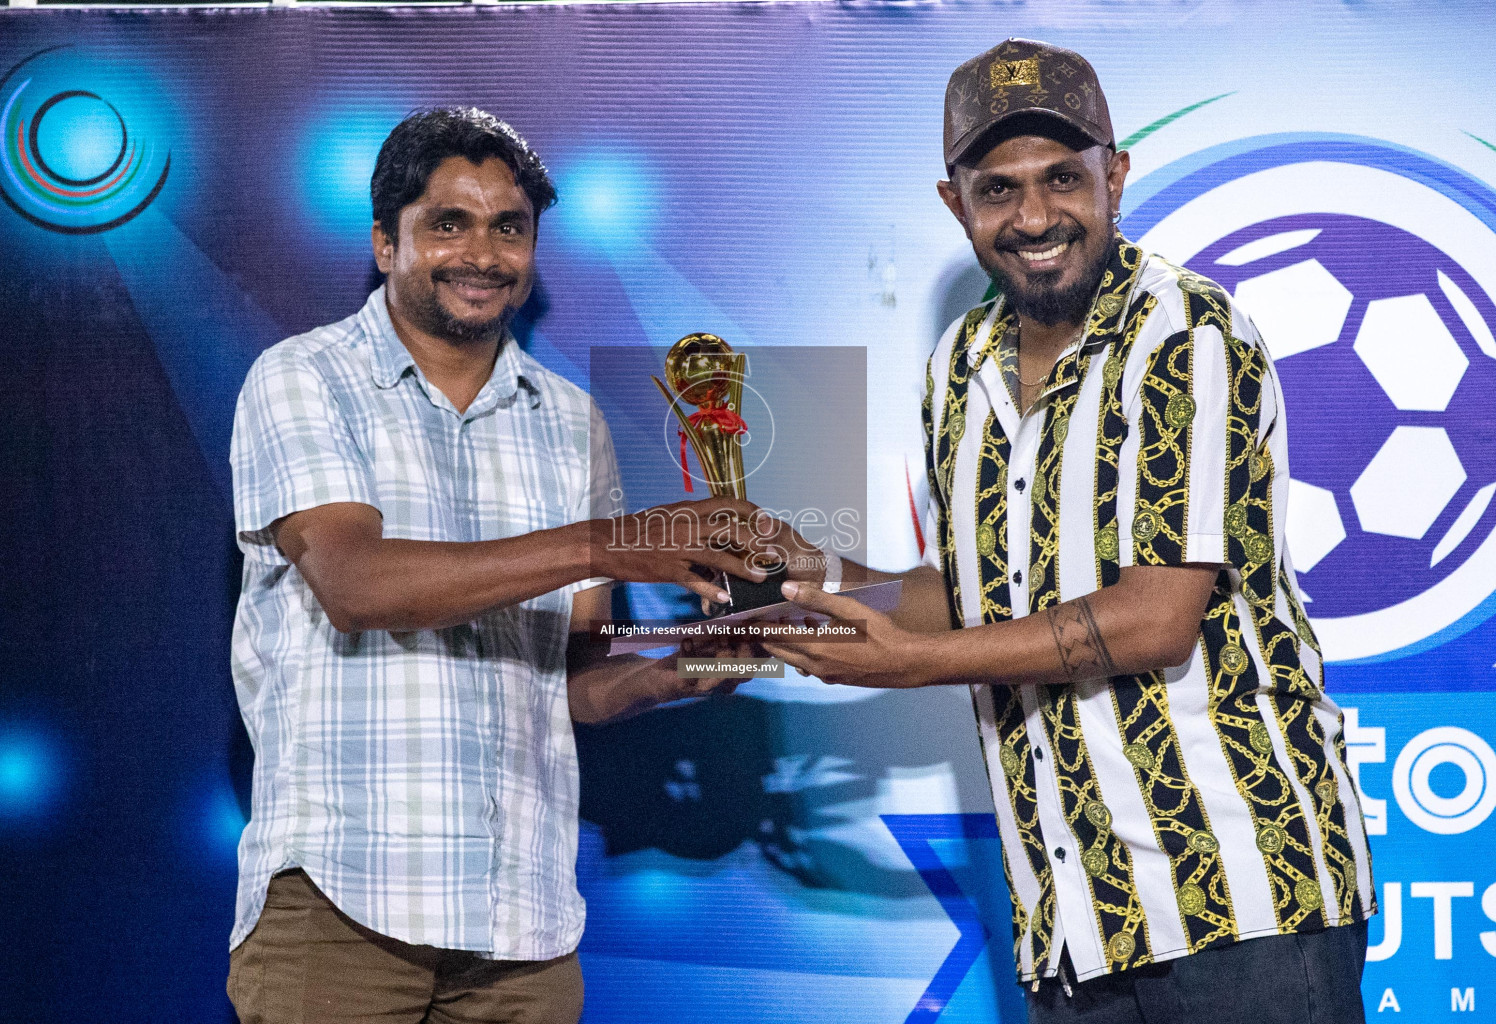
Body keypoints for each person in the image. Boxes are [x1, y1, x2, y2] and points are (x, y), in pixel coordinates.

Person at [760, 39, 1375, 1024]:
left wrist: (907, 662)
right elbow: (974, 595)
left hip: (1245, 902)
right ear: (953, 201)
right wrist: (814, 579)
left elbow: (1153, 619)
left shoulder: (1183, 333)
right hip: (1074, 915)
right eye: (997, 189)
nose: (1035, 216)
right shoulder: (958, 366)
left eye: (1062, 178)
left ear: (1115, 174)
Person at [225, 107, 768, 1024]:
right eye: (448, 223)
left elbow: (576, 683)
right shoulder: (303, 377)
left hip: (523, 930)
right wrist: (608, 542)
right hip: (342, 909)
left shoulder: (571, 423)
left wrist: (698, 665)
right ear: (384, 242)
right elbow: (358, 588)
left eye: (508, 228)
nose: (482, 253)